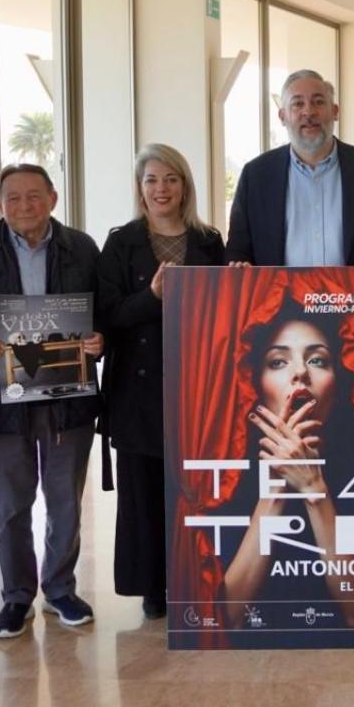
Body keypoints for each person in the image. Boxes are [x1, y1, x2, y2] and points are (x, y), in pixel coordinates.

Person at [0, 163, 105, 640]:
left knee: (66, 502)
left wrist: (101, 338)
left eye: (34, 196)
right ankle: (17, 597)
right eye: (13, 198)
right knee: (11, 504)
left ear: (53, 198)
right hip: (0, 402)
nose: (24, 206)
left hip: (68, 398)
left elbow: (106, 310)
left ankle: (60, 589)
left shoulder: (83, 249)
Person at [97, 144, 224, 621]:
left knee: (196, 485)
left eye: (170, 179)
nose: (161, 189)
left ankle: (197, 575)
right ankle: (153, 585)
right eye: (151, 180)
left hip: (200, 382)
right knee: (143, 490)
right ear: (139, 187)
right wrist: (151, 297)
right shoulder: (120, 242)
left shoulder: (210, 240)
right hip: (138, 386)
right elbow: (107, 314)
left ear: (184, 185)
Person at [216, 299, 354, 646]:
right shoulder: (223, 475)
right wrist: (278, 485)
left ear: (338, 384)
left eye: (317, 360)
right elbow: (228, 617)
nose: (300, 373)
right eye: (278, 362)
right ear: (254, 385)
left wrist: (313, 487)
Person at [226, 69, 354, 266]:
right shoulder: (256, 176)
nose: (309, 112)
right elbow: (238, 249)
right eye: (298, 104)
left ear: (335, 112)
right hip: (278, 296)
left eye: (318, 102)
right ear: (282, 116)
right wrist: (239, 266)